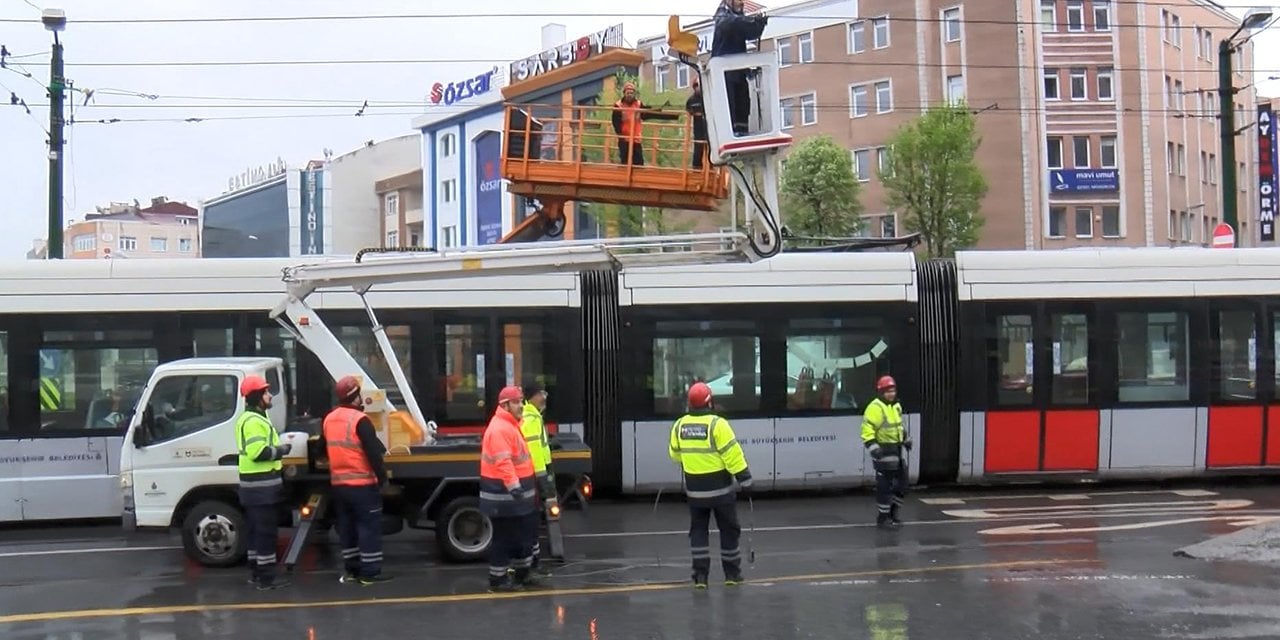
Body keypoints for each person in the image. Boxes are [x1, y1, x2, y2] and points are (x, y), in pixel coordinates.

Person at [668, 381, 753, 589]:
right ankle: (732, 575)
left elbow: (674, 455)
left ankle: (700, 577)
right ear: (710, 401)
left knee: (698, 532)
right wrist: (745, 479)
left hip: (695, 493)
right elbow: (732, 454)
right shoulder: (718, 424)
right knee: (729, 530)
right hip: (721, 492)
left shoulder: (679, 425)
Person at [323, 375, 392, 586]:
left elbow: (322, 448)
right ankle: (370, 573)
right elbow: (373, 453)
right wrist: (383, 479)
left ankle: (352, 570)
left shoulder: (329, 419)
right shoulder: (360, 420)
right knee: (368, 528)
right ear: (355, 397)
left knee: (347, 528)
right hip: (362, 486)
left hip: (339, 486)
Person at [479, 385, 542, 592]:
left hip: (515, 497)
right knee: (504, 539)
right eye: (516, 402)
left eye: (521, 401)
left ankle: (523, 574)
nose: (521, 406)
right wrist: (515, 487)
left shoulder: (511, 425)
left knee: (521, 536)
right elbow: (503, 463)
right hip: (504, 496)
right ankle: (498, 581)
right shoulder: (500, 429)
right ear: (505, 405)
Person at [235, 375, 292, 591]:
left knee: (255, 532)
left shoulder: (252, 418)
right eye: (266, 392)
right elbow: (258, 453)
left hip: (254, 488)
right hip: (262, 489)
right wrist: (283, 451)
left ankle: (256, 572)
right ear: (258, 397)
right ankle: (267, 578)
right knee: (266, 533)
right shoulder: (254, 422)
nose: (270, 395)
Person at [711, 0, 768, 136]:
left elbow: (751, 33)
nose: (742, 2)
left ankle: (741, 131)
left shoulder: (737, 18)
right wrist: (749, 21)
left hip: (738, 73)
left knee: (742, 105)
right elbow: (729, 24)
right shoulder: (722, 15)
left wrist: (759, 24)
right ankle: (731, 132)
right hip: (725, 75)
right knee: (730, 106)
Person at [862, 375, 911, 530]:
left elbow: (899, 426)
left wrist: (906, 438)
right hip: (882, 451)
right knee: (885, 487)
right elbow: (867, 430)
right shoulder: (875, 407)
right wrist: (873, 447)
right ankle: (883, 518)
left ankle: (893, 514)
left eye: (893, 390)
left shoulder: (896, 406)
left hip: (896, 450)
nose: (891, 394)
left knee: (902, 485)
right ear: (881, 392)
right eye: (887, 391)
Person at [520, 381, 554, 576]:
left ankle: (532, 563)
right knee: (531, 522)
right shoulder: (531, 418)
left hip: (533, 475)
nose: (545, 397)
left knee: (532, 522)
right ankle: (531, 566)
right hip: (534, 476)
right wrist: (544, 480)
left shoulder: (533, 416)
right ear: (533, 396)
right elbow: (534, 453)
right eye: (542, 393)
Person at [611, 82, 665, 167]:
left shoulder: (639, 104)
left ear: (634, 94)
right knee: (625, 162)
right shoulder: (618, 105)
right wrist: (620, 135)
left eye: (631, 93)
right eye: (628, 93)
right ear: (624, 93)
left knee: (639, 163)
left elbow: (646, 114)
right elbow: (615, 122)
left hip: (636, 138)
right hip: (624, 138)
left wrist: (657, 110)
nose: (630, 95)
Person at [686, 74, 710, 169]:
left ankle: (711, 167)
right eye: (697, 86)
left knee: (710, 148)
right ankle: (696, 167)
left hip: (708, 127)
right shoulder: (691, 100)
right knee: (698, 148)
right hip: (698, 128)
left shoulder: (707, 98)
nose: (698, 88)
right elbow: (688, 111)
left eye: (699, 86)